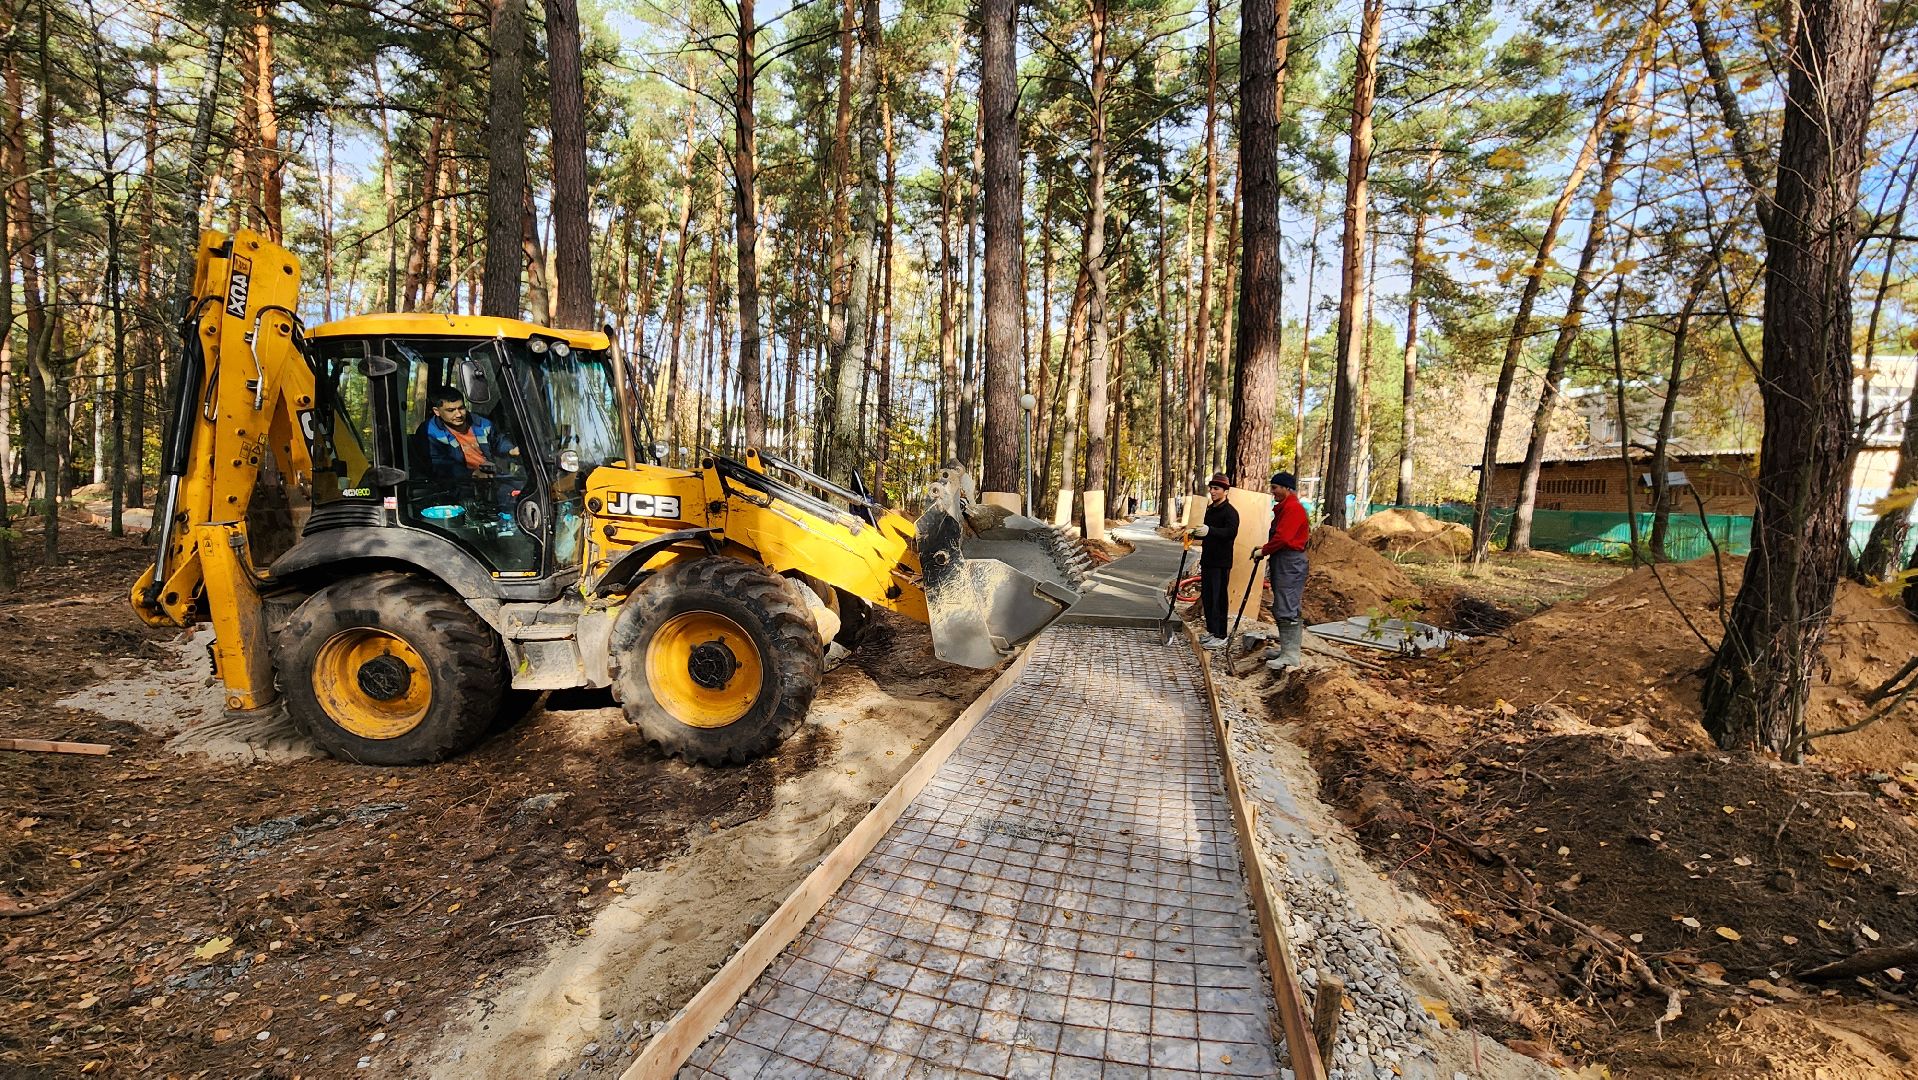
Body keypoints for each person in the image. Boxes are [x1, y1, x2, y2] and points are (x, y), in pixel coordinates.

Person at [1258, 471, 1311, 670]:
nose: (1273, 492)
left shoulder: (1293, 509)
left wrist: (1263, 550)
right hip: (1283, 560)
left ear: (1287, 488)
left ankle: (1291, 655)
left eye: (1275, 488)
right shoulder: (1285, 508)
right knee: (1282, 603)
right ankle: (1286, 649)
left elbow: (1283, 538)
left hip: (1291, 562)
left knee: (1287, 604)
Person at [421, 387, 519, 481]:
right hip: (458, 484)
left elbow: (497, 441)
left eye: (461, 408)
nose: (459, 414)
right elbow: (440, 466)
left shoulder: (481, 423)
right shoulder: (429, 432)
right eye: (451, 410)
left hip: (492, 477)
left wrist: (511, 449)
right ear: (437, 411)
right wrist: (472, 474)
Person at [1190, 473, 1239, 649]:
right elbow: (1207, 532)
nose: (1212, 491)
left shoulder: (1230, 512)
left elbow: (1230, 533)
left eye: (1216, 489)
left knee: (1219, 598)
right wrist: (1196, 533)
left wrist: (1210, 531)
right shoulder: (1210, 510)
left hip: (1221, 562)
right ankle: (1211, 630)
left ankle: (1221, 633)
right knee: (1208, 597)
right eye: (1211, 488)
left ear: (1225, 491)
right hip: (1208, 560)